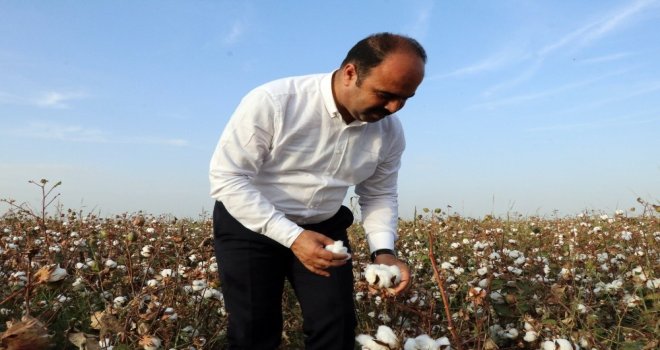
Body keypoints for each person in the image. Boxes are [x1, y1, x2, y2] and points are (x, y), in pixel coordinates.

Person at [209, 32, 426, 349]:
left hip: (324, 226)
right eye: (385, 94)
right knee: (253, 331)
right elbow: (228, 176)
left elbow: (378, 194)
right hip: (250, 223)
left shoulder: (389, 132)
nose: (394, 107)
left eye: (405, 98)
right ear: (351, 73)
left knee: (336, 327)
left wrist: (384, 252)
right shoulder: (275, 102)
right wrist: (293, 237)